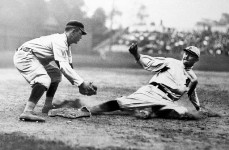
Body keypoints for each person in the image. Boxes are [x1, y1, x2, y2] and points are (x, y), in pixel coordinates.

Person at [90, 43, 202, 120]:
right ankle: (91, 109)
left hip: (167, 100)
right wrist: (136, 54)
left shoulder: (192, 78)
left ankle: (148, 110)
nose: (187, 55)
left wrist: (198, 108)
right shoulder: (171, 62)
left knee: (182, 112)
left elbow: (192, 94)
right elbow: (150, 63)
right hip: (152, 92)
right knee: (122, 103)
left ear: (196, 60)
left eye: (191, 55)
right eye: (186, 52)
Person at [13, 20, 97, 122]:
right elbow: (63, 66)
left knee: (55, 75)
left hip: (34, 58)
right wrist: (82, 83)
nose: (81, 36)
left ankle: (47, 106)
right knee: (43, 79)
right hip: (25, 56)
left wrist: (80, 85)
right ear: (74, 31)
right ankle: (27, 112)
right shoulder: (60, 41)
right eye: (81, 33)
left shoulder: (66, 45)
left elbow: (69, 67)